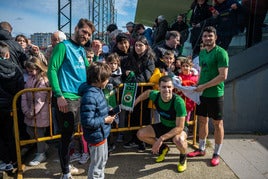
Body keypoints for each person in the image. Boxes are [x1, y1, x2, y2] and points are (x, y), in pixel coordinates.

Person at [47, 18, 95, 179]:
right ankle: (65, 172)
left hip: (81, 98)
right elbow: (52, 70)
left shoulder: (82, 50)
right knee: (66, 137)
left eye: (89, 34)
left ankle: (67, 165)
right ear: (76, 29)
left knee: (74, 134)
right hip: (66, 99)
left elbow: (88, 73)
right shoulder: (63, 46)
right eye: (84, 32)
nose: (86, 36)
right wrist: (59, 95)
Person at [187, 26, 229, 167]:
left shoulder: (221, 53)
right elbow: (202, 72)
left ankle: (216, 153)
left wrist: (203, 87)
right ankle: (201, 148)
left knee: (218, 124)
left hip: (215, 94)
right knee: (202, 121)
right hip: (202, 94)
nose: (207, 38)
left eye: (210, 36)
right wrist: (197, 85)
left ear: (215, 37)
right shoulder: (203, 52)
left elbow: (223, 76)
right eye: (205, 36)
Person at [135, 75, 188, 172]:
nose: (166, 90)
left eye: (169, 87)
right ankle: (163, 148)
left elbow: (180, 127)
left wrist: (161, 138)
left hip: (178, 128)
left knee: (179, 140)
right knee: (140, 134)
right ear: (159, 87)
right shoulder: (156, 95)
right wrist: (135, 102)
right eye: (163, 87)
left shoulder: (178, 102)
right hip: (164, 125)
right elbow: (147, 93)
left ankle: (183, 157)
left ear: (173, 88)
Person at [78, 62, 115, 179]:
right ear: (99, 80)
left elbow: (97, 109)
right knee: (97, 165)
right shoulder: (90, 95)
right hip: (96, 136)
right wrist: (105, 119)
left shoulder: (96, 91)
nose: (108, 81)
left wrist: (108, 110)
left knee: (101, 161)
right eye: (106, 79)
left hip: (101, 134)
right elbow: (88, 122)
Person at [0, 41, 24, 171]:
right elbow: (20, 87)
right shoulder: (16, 68)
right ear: (8, 54)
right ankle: (15, 160)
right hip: (12, 106)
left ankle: (5, 160)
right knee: (12, 134)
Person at [21, 57, 50, 166]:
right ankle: (42, 147)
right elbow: (24, 93)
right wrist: (26, 111)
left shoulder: (43, 81)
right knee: (30, 130)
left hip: (40, 112)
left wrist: (31, 112)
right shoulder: (29, 78)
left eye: (31, 70)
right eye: (28, 71)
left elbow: (40, 100)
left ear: (38, 68)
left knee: (39, 132)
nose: (29, 73)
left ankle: (41, 153)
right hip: (30, 111)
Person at [177, 57, 199, 123]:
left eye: (187, 66)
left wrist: (183, 83)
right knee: (179, 117)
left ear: (190, 67)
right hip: (180, 99)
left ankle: (185, 129)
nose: (185, 68)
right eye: (183, 66)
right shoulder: (179, 76)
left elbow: (192, 83)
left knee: (187, 117)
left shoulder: (194, 77)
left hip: (189, 100)